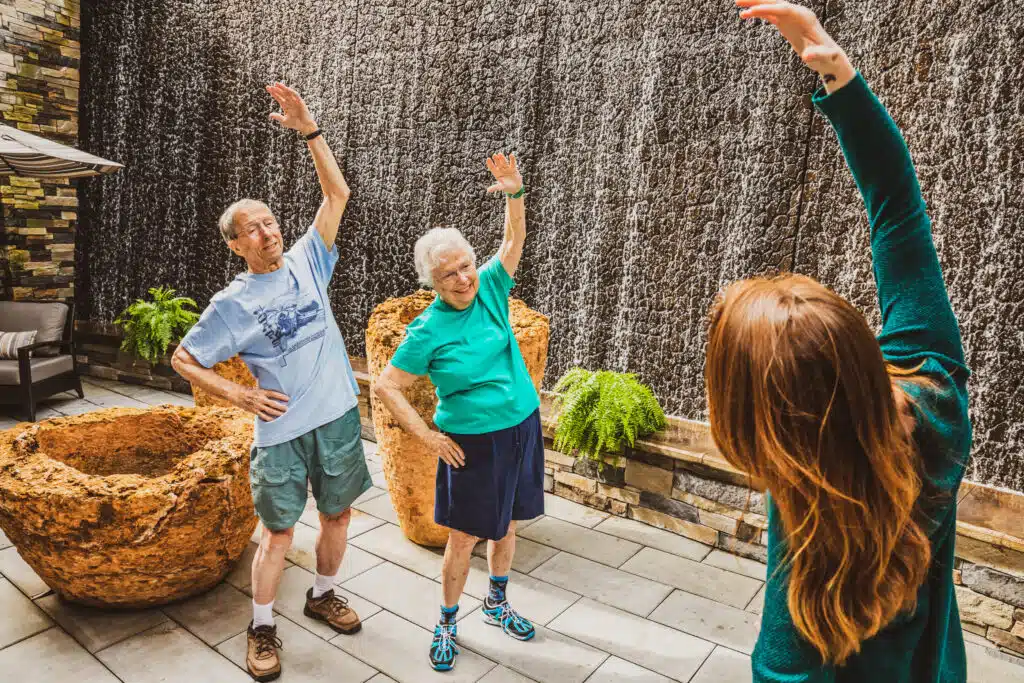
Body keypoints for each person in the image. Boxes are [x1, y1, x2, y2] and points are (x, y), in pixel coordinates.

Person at [703, 2, 972, 681]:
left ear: (766, 427)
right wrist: (840, 77)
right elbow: (898, 213)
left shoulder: (806, 544)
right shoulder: (935, 391)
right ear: (856, 345)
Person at [171, 83, 370, 682]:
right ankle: (260, 628)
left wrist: (310, 130)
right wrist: (240, 394)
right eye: (253, 229)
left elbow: (338, 192)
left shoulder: (311, 257)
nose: (268, 232)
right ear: (236, 245)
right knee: (279, 532)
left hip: (336, 416)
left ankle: (323, 593)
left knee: (337, 517)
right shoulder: (232, 303)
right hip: (279, 432)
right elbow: (184, 359)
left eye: (271, 222)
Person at [373, 153, 543, 672]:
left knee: (509, 523)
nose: (463, 278)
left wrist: (515, 192)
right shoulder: (427, 330)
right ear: (433, 282)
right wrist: (426, 437)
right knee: (464, 537)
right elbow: (386, 385)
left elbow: (512, 242)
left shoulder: (491, 285)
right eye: (448, 274)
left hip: (521, 427)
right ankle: (446, 621)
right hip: (471, 442)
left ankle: (496, 603)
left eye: (465, 265)